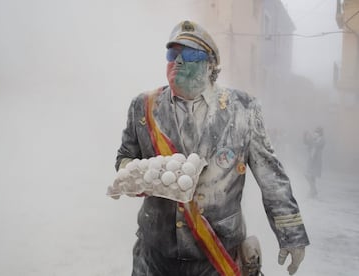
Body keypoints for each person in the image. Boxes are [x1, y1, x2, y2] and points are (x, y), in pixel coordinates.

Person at [114, 20, 309, 276]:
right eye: (173, 54)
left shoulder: (243, 108)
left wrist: (291, 234)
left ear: (210, 66)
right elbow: (125, 157)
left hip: (216, 254)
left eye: (191, 54)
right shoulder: (144, 106)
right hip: (155, 254)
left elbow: (271, 175)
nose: (179, 62)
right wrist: (136, 176)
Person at [303, 126, 325, 197]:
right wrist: (305, 135)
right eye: (315, 131)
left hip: (316, 160)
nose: (315, 133)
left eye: (317, 132)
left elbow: (318, 145)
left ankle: (313, 190)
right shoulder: (314, 139)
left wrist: (312, 139)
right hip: (311, 159)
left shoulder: (322, 139)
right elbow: (306, 142)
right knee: (307, 174)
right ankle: (313, 189)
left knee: (312, 175)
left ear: (320, 133)